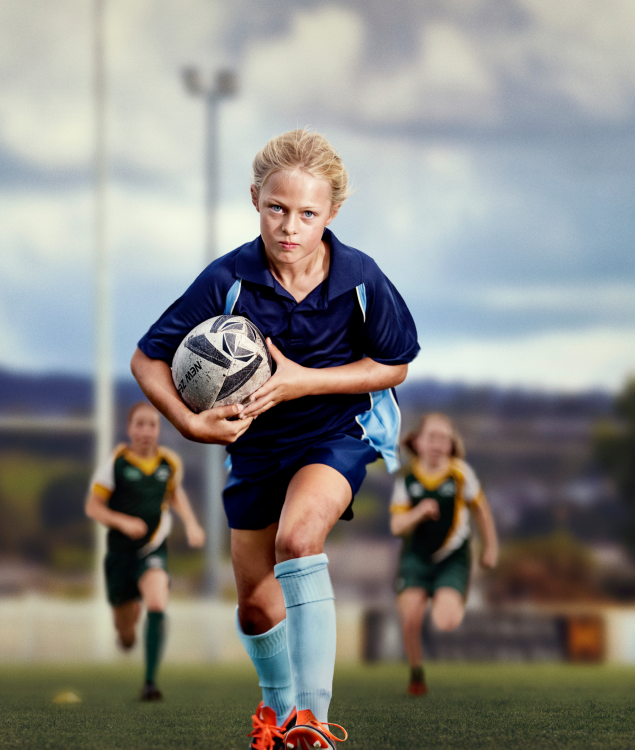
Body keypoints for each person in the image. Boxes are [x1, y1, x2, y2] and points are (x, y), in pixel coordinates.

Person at [131, 129, 419, 749]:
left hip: (334, 433)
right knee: (257, 608)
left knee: (299, 538)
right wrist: (189, 422)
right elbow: (146, 359)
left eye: (308, 213)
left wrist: (301, 381)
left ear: (331, 214)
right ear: (255, 199)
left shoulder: (362, 277)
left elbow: (394, 365)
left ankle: (311, 722)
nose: (291, 226)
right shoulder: (227, 279)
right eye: (277, 208)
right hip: (256, 451)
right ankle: (275, 710)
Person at [84, 401, 205, 701]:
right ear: (129, 429)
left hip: (153, 549)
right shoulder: (116, 463)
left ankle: (150, 683)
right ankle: (128, 627)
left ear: (158, 430)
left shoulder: (169, 463)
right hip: (120, 555)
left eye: (152, 424)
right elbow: (93, 507)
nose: (146, 431)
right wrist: (123, 522)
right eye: (139, 424)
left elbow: (175, 493)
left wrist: (191, 523)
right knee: (125, 632)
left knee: (157, 603)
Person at [390, 412, 499, 696]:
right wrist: (419, 512)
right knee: (410, 619)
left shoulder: (460, 473)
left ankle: (443, 593)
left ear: (452, 444)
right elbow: (397, 525)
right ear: (418, 441)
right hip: (416, 556)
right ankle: (416, 674)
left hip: (453, 556)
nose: (438, 444)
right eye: (432, 437)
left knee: (445, 621)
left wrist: (491, 547)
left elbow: (481, 510)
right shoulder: (408, 479)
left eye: (444, 438)